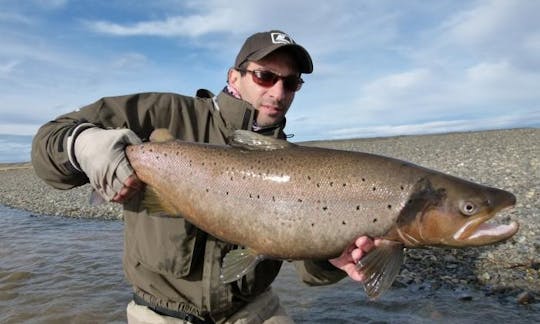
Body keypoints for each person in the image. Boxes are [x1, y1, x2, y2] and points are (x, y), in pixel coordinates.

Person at [32, 30, 376, 323]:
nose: (278, 92)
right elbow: (48, 144)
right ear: (234, 78)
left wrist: (330, 254)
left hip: (253, 310)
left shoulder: (295, 164)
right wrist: (82, 144)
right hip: (159, 313)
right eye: (265, 76)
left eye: (291, 83)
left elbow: (310, 274)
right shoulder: (164, 114)